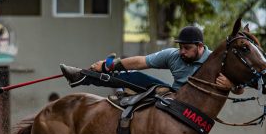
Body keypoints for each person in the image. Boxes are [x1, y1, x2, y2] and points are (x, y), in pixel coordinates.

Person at [84, 25, 237, 93]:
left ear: (200, 46)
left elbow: (240, 88)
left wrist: (232, 86)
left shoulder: (215, 61)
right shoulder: (173, 55)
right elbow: (140, 62)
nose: (182, 51)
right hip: (174, 97)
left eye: (187, 48)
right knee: (134, 76)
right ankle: (83, 76)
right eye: (180, 47)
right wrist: (109, 66)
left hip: (196, 110)